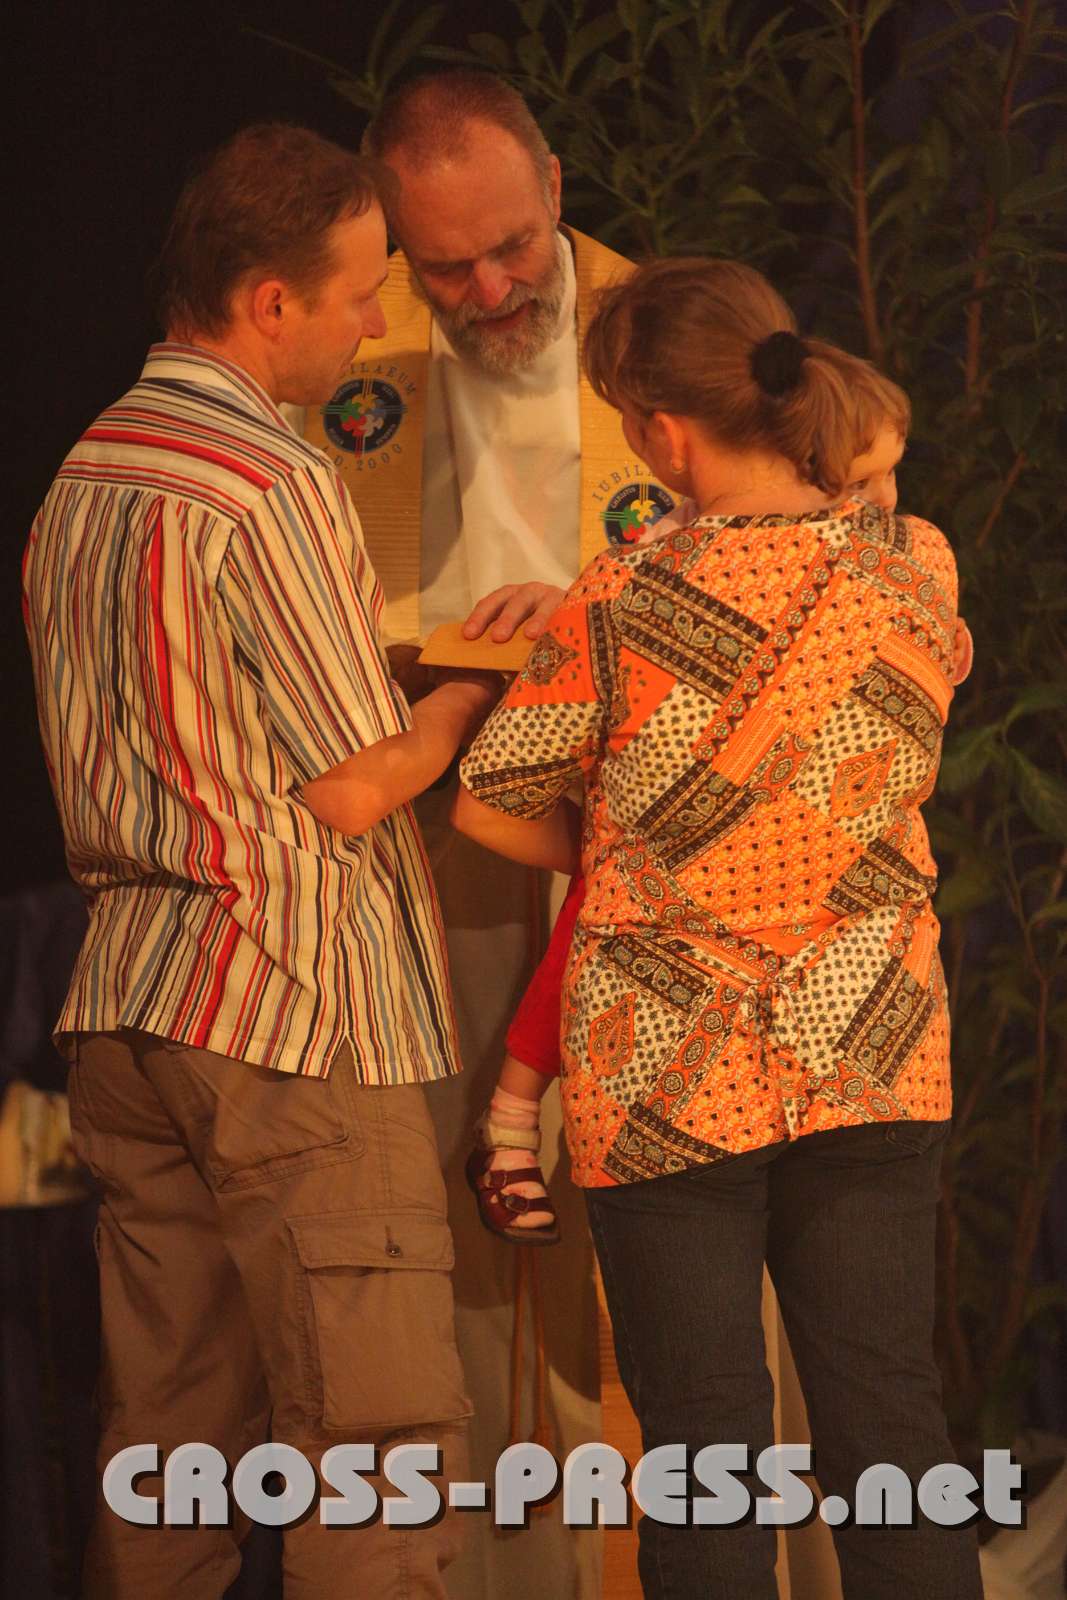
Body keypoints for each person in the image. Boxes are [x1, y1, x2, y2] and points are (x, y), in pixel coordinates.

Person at [21, 123, 504, 1600]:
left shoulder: (84, 470)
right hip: (288, 1009)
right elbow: (356, 785)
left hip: (133, 1002)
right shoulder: (268, 479)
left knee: (169, 1444)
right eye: (358, 294)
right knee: (374, 1448)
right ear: (270, 301)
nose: (372, 324)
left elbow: (204, 723)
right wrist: (472, 689)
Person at [453, 256, 983, 1598]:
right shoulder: (914, 563)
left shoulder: (619, 596)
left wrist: (638, 854)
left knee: (700, 1452)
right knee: (890, 1430)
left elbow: (488, 806)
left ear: (660, 433)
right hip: (866, 1039)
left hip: (660, 1067)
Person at [295, 70, 681, 1597]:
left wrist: (591, 622)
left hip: (653, 828)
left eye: (511, 245)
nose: (488, 291)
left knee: (663, 1213)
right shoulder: (354, 343)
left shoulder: (675, 328)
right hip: (450, 814)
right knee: (467, 1185)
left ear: (557, 184)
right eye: (444, 265)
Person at [467, 400, 976, 1240]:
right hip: (717, 995)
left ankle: (509, 1120)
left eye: (891, 474)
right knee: (584, 916)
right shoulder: (658, 558)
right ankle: (509, 1119)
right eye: (865, 479)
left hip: (841, 1026)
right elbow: (503, 792)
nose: (884, 498)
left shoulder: (901, 559)